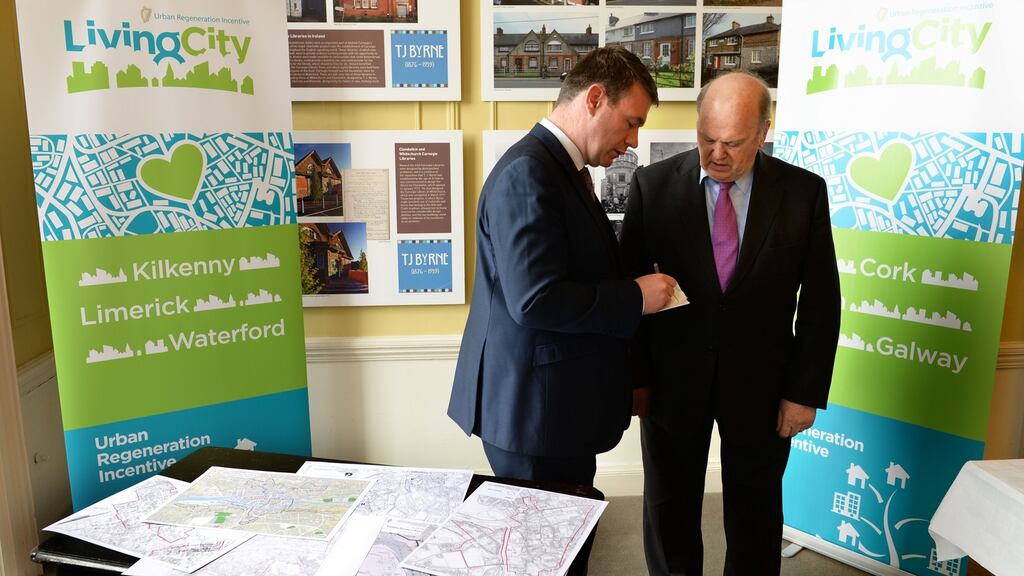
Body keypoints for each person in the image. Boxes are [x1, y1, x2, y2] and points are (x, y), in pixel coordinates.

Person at [619, 71, 841, 575]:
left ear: (764, 133)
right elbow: (626, 290)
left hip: (764, 385)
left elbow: (822, 301)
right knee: (668, 508)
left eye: (733, 143)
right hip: (672, 384)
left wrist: (804, 392)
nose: (717, 153)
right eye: (707, 138)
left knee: (756, 511)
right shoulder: (652, 187)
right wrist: (636, 378)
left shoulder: (803, 193)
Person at [448, 46, 677, 499]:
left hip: (551, 407)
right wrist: (636, 296)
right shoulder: (529, 174)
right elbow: (535, 298)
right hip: (535, 415)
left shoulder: (561, 169)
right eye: (632, 122)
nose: (633, 141)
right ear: (594, 99)